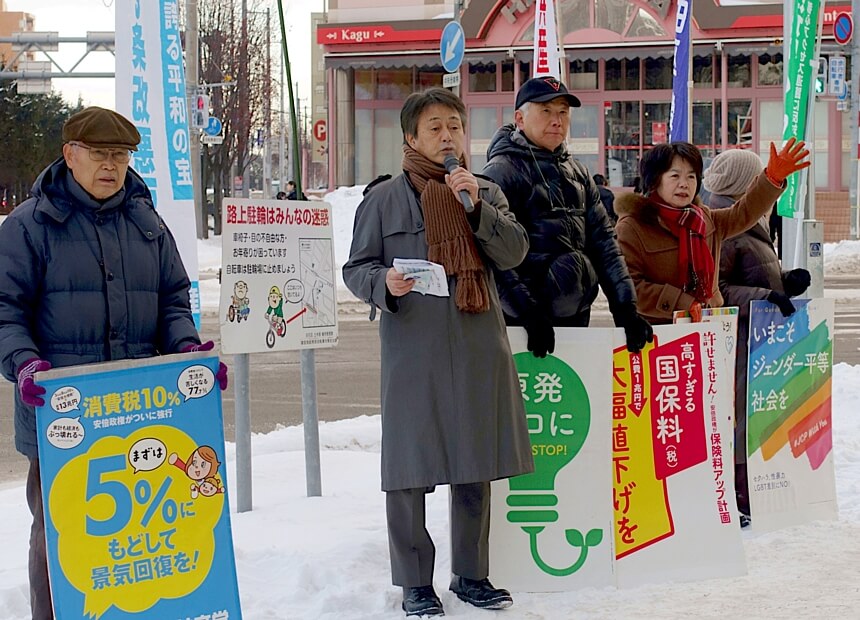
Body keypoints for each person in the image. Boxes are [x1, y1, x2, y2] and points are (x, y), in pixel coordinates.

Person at [0, 106, 228, 620]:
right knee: (61, 538)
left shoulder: (147, 224)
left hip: (139, 413)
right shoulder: (29, 226)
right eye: (100, 154)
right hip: (63, 418)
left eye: (121, 156)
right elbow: (5, 310)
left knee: (140, 536)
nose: (111, 165)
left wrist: (186, 351)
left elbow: (173, 302)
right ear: (70, 155)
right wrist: (24, 363)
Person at [343, 88, 533, 618]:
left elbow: (514, 252)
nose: (447, 136)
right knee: (409, 467)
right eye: (434, 127)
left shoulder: (484, 191)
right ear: (411, 136)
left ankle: (471, 575)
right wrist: (383, 282)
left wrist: (476, 209)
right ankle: (415, 583)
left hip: (477, 344)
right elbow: (356, 269)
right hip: (413, 349)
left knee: (474, 461)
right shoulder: (384, 199)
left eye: (454, 125)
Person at [481, 76, 653, 358]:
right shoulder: (501, 172)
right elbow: (494, 254)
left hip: (577, 314)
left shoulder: (578, 172)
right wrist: (527, 313)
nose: (556, 120)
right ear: (520, 119)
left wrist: (625, 308)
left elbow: (604, 244)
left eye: (563, 112)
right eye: (546, 111)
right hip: (524, 324)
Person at [700, 148, 810, 526]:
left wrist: (785, 283)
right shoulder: (724, 223)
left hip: (756, 336)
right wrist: (766, 296)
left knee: (754, 414)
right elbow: (717, 289)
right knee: (739, 418)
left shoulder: (746, 217)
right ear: (742, 183)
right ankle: (738, 491)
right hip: (737, 339)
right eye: (756, 178)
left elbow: (752, 272)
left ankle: (752, 487)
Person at [613, 138, 809, 325]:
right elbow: (629, 286)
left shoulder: (704, 220)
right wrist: (682, 302)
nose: (684, 184)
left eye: (691, 176)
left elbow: (744, 213)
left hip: (710, 325)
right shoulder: (632, 227)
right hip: (662, 333)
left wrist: (772, 178)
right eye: (675, 176)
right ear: (655, 181)